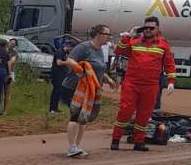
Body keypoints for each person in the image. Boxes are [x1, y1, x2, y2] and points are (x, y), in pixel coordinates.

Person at [110, 15, 176, 152]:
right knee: (125, 110)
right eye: (145, 27)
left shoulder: (163, 44)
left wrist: (171, 81)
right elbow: (119, 51)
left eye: (151, 28)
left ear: (157, 29)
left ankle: (139, 142)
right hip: (131, 83)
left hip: (151, 85)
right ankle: (115, 139)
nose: (148, 30)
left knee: (144, 114)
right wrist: (129, 35)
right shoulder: (134, 41)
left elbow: (169, 64)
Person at [59, 25, 116, 157]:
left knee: (83, 118)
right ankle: (72, 147)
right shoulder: (84, 47)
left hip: (90, 90)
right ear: (98, 34)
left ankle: (76, 147)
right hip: (74, 87)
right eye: (107, 34)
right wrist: (81, 71)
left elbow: (99, 69)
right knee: (76, 115)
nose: (109, 37)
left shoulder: (101, 50)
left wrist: (108, 79)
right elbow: (69, 61)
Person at [49, 41, 72, 113]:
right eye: (70, 48)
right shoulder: (59, 52)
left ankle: (55, 107)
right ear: (67, 46)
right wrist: (67, 63)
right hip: (57, 75)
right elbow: (58, 63)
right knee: (56, 91)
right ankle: (52, 108)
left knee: (59, 92)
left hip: (62, 75)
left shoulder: (64, 53)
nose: (70, 50)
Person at [3, 38, 18, 114]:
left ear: (15, 45)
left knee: (7, 92)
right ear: (8, 42)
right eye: (11, 42)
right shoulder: (3, 49)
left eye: (13, 43)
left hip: (9, 73)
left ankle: (5, 111)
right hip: (1, 71)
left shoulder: (14, 53)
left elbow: (12, 62)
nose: (12, 44)